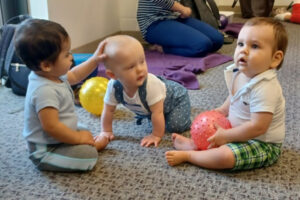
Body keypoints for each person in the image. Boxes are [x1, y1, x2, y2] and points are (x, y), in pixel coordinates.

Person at [165, 17, 288, 171]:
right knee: (212, 130)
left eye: (255, 46)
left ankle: (191, 156)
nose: (244, 50)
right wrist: (222, 111)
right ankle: (196, 145)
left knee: (225, 156)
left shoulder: (266, 88)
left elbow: (258, 127)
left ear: (275, 58)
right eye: (241, 44)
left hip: (260, 142)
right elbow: (234, 96)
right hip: (236, 130)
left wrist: (228, 136)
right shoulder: (240, 73)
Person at [14, 18, 107, 172]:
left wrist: (95, 59)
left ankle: (82, 142)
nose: (71, 57)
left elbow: (76, 76)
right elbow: (51, 127)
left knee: (84, 130)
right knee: (88, 155)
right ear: (46, 65)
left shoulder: (50, 75)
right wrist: (78, 139)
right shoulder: (44, 90)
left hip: (56, 136)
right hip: (46, 149)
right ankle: (81, 149)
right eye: (66, 54)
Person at [94, 35, 191, 149]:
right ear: (113, 75)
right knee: (156, 117)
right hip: (154, 106)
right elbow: (108, 110)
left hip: (176, 99)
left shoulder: (150, 84)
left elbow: (157, 112)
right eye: (131, 67)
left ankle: (185, 111)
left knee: (175, 126)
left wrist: (156, 135)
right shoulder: (114, 87)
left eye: (142, 61)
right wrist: (106, 131)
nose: (140, 69)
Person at [136, 0, 224, 57]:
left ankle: (175, 42)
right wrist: (182, 9)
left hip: (175, 17)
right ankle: (162, 48)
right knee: (202, 46)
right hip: (154, 22)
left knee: (218, 40)